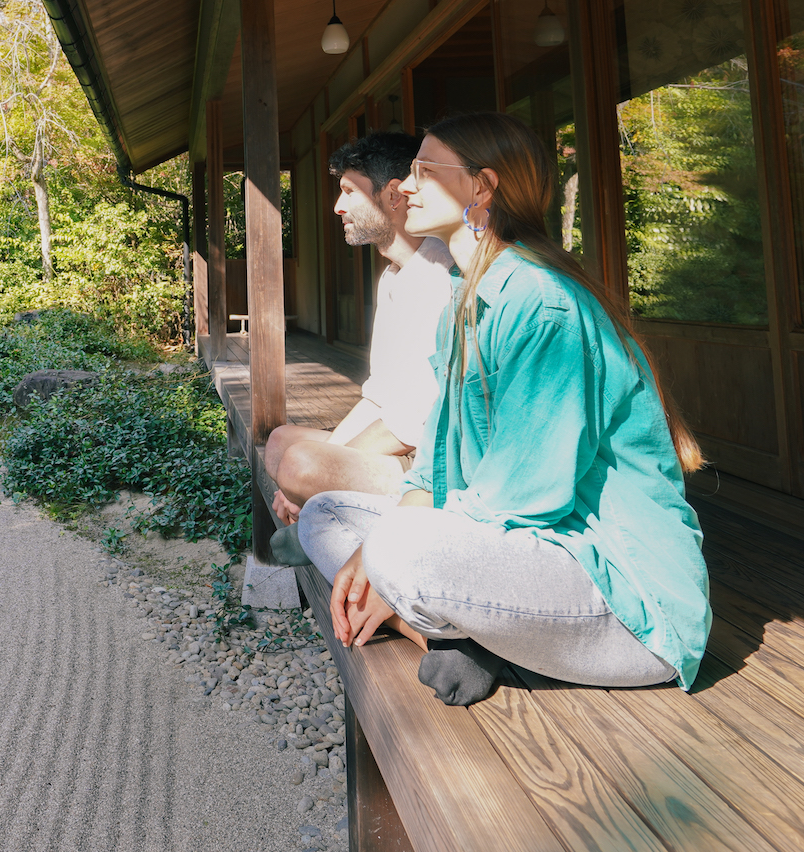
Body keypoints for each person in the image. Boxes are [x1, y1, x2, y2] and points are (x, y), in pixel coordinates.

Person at [293, 111, 711, 706]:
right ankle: (445, 637)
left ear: (481, 187)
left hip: (623, 603)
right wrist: (382, 547)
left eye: (423, 171)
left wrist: (386, 553)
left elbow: (526, 498)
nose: (405, 187)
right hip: (523, 559)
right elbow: (435, 469)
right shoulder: (465, 301)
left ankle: (451, 629)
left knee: (396, 547)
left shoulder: (543, 304)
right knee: (326, 515)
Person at [265, 133, 454, 528]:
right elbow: (379, 395)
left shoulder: (440, 275)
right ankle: (318, 518)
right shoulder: (393, 276)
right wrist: (328, 459)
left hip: (431, 468)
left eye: (349, 191)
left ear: (392, 195)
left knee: (300, 465)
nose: (337, 207)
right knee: (281, 443)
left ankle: (330, 527)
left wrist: (314, 471)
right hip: (398, 450)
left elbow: (411, 425)